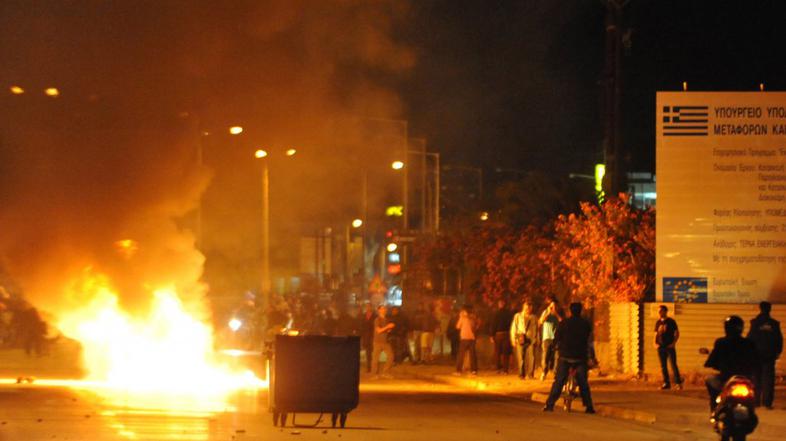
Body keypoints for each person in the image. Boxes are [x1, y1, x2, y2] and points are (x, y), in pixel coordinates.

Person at [543, 302, 595, 414]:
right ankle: (589, 406)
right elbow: (589, 341)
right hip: (580, 357)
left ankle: (549, 404)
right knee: (583, 382)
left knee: (559, 381)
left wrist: (553, 348)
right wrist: (592, 357)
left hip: (565, 357)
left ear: (570, 311)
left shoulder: (564, 323)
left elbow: (556, 338)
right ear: (580, 311)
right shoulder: (585, 324)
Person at [704, 315, 760, 412]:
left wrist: (711, 363)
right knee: (754, 388)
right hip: (745, 378)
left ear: (726, 328)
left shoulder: (721, 342)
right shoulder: (749, 343)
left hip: (726, 378)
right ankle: (754, 405)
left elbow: (712, 360)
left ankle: (714, 406)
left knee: (709, 379)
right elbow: (756, 361)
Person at [747, 301, 782, 409]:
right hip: (769, 356)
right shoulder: (774, 324)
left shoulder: (755, 323)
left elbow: (750, 339)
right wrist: (777, 352)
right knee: (768, 380)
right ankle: (767, 403)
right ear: (770, 309)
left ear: (760, 308)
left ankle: (756, 401)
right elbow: (779, 340)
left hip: (756, 356)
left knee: (756, 378)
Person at [654, 305, 683, 390]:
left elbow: (677, 333)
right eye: (658, 311)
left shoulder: (671, 322)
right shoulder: (658, 322)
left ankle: (678, 383)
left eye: (661, 311)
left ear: (665, 311)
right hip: (661, 346)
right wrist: (654, 343)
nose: (659, 313)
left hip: (669, 346)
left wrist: (673, 343)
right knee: (663, 366)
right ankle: (666, 383)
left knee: (673, 364)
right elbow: (655, 333)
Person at [510, 300, 537, 379]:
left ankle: (530, 374)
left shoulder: (533, 317)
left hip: (531, 339)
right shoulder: (518, 316)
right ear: (523, 307)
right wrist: (513, 338)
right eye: (526, 307)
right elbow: (514, 327)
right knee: (521, 357)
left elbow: (536, 329)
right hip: (520, 338)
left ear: (531, 308)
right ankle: (521, 374)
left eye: (529, 307)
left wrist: (537, 338)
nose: (528, 309)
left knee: (532, 357)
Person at [489, 299, 514, 374]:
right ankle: (505, 370)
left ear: (499, 305)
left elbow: (493, 324)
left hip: (498, 334)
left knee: (497, 352)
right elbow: (511, 324)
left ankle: (498, 369)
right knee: (505, 352)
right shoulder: (509, 313)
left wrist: (491, 335)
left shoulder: (496, 313)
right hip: (506, 334)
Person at [371, 305, 396, 378]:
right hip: (378, 341)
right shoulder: (377, 320)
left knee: (391, 356)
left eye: (384, 309)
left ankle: (385, 372)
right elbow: (378, 331)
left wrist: (389, 329)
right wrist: (388, 326)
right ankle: (374, 374)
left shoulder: (386, 319)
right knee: (375, 359)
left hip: (386, 341)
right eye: (382, 309)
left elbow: (386, 330)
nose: (384, 310)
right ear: (378, 310)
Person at [539, 297, 560, 380]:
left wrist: (556, 314)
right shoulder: (545, 312)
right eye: (551, 306)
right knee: (545, 356)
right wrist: (548, 313)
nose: (553, 308)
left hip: (556, 338)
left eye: (554, 306)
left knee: (557, 356)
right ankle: (544, 372)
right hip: (547, 337)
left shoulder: (559, 313)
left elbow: (562, 322)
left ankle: (555, 373)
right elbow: (541, 322)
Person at [454, 305, 479, 375]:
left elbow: (457, 326)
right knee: (472, 355)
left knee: (461, 355)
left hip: (464, 338)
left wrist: (460, 317)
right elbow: (476, 326)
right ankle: (474, 370)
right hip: (472, 338)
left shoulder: (462, 318)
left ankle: (458, 370)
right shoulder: (473, 317)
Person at [360, 303, 376, 373]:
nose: (368, 308)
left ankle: (373, 366)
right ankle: (369, 367)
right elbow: (361, 326)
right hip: (366, 337)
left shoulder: (375, 316)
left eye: (369, 306)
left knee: (373, 352)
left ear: (371, 307)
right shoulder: (363, 316)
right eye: (367, 306)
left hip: (373, 336)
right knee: (368, 353)